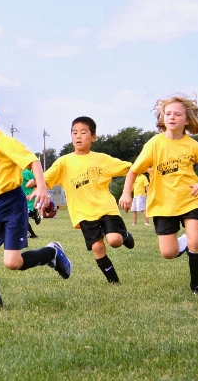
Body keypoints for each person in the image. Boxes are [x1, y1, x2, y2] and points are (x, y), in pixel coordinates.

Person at [0, 94, 71, 310]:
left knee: (12, 262)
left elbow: (32, 161)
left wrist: (41, 187)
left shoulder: (5, 142)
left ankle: (52, 253)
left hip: (12, 205)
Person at [119, 94, 198, 296]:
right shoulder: (154, 144)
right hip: (163, 204)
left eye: (177, 114)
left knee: (196, 241)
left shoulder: (193, 145)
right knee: (168, 253)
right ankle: (185, 241)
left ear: (187, 119)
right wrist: (126, 194)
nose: (171, 117)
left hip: (190, 199)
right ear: (162, 117)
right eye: (168, 113)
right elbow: (133, 171)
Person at [41, 116, 134, 285]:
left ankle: (124, 235)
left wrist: (148, 167)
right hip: (83, 212)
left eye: (83, 132)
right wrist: (35, 182)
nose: (78, 136)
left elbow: (130, 168)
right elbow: (46, 178)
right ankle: (114, 282)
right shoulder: (64, 162)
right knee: (97, 247)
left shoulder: (101, 159)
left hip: (106, 207)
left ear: (93, 137)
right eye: (74, 132)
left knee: (114, 240)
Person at [22, 167, 40, 239]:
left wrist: (32, 194)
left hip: (29, 198)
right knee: (22, 217)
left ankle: (32, 235)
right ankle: (34, 213)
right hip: (21, 199)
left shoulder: (26, 172)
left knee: (22, 217)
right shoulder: (15, 173)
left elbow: (37, 184)